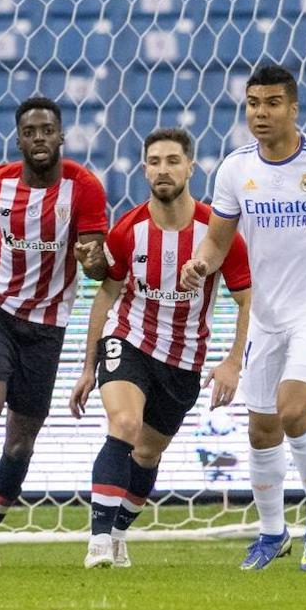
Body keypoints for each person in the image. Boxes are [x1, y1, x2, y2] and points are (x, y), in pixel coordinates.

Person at [71, 128, 251, 567]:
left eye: (173, 160)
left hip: (184, 359)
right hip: (129, 340)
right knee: (125, 423)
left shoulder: (219, 232)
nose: (163, 169)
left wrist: (232, 362)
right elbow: (106, 295)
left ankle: (117, 533)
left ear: (191, 167)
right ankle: (97, 542)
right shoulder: (128, 229)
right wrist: (87, 366)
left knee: (148, 453)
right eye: (155, 161)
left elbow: (247, 299)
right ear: (144, 168)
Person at [0, 96, 109, 567]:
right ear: (19, 140)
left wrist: (92, 261)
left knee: (21, 442)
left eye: (47, 130)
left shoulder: (85, 189)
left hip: (46, 327)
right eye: (30, 131)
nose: (39, 138)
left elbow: (96, 264)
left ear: (61, 137)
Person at [181, 64, 306, 570]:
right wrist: (200, 264)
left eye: (273, 103)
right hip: (266, 316)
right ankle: (271, 533)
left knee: (293, 411)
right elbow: (216, 241)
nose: (261, 113)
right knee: (262, 431)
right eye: (253, 103)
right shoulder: (237, 169)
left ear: (294, 108)